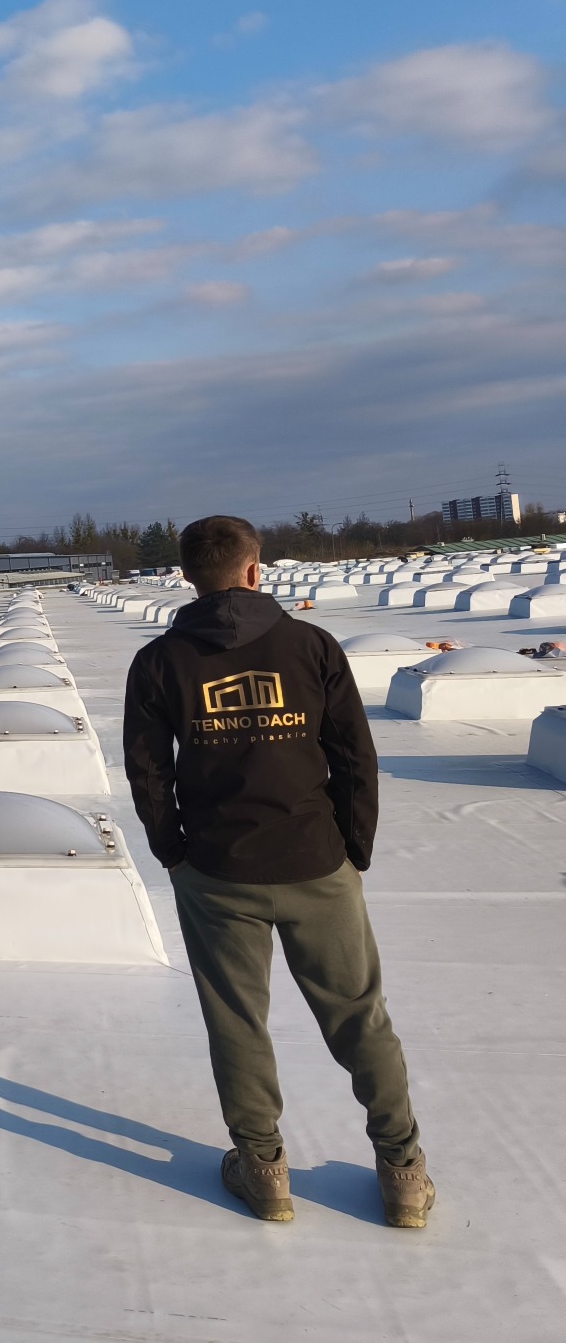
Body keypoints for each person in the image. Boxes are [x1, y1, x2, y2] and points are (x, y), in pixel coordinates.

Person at [123, 515, 433, 1228]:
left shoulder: (161, 661)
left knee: (237, 1021)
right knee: (359, 1015)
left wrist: (174, 848)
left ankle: (263, 1170)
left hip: (218, 868)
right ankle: (405, 1173)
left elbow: (147, 771)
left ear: (187, 576)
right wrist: (353, 848)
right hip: (315, 861)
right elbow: (355, 757)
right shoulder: (312, 646)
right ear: (256, 569)